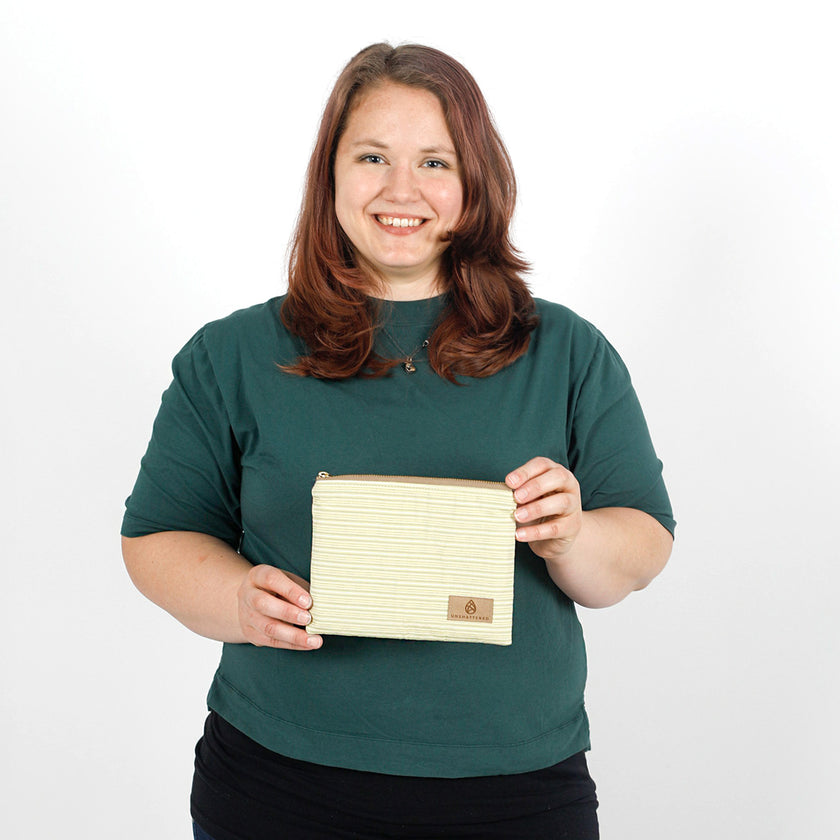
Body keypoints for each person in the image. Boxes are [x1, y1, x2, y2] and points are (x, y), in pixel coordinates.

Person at [121, 42, 675, 840]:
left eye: (435, 162)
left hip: (513, 791)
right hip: (280, 784)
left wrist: (574, 534)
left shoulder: (568, 352)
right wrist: (235, 603)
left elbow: (641, 551)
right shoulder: (230, 355)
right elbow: (156, 537)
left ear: (474, 181)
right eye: (373, 156)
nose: (401, 190)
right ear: (332, 173)